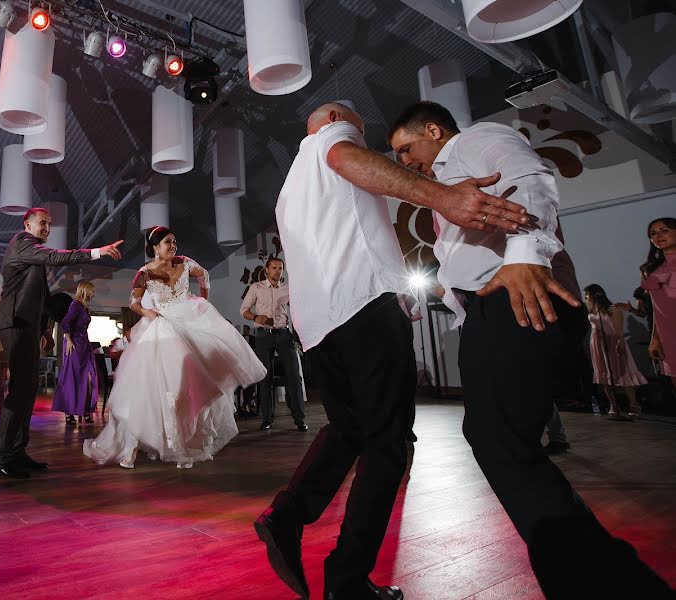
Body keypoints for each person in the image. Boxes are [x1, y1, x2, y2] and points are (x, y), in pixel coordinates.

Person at [387, 100, 671, 598]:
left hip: (519, 297)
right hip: (490, 308)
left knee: (499, 442)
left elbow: (532, 177)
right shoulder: (445, 188)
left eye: (406, 148)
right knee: (494, 438)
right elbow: (462, 259)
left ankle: (602, 583)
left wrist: (524, 255)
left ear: (434, 130)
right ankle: (605, 577)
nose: (405, 161)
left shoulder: (472, 144)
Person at [256, 101, 531, 600]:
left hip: (318, 324)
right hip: (364, 304)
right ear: (340, 117)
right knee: (387, 446)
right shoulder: (335, 141)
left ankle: (287, 514)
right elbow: (347, 157)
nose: (388, 150)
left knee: (350, 430)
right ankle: (347, 578)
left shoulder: (288, 186)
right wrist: (443, 197)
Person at [83, 226, 267, 470]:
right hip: (159, 324)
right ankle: (133, 445)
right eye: (168, 242)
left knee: (185, 381)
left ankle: (179, 442)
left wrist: (202, 299)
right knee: (147, 387)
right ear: (155, 247)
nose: (173, 246)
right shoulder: (144, 273)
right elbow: (134, 303)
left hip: (187, 319)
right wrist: (150, 313)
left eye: (174, 242)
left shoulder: (185, 263)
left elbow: (205, 276)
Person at [0, 207, 123, 478]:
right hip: (14, 323)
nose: (47, 228)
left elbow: (38, 299)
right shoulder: (23, 244)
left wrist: (42, 329)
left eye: (50, 224)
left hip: (26, 324)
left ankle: (17, 452)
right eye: (43, 223)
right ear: (27, 224)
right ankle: (0, 457)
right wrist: (97, 251)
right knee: (19, 389)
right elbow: (55, 256)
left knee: (27, 388)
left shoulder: (32, 254)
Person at [240, 257, 307, 431]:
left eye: (280, 268)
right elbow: (243, 310)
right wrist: (255, 317)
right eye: (275, 268)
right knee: (265, 377)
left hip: (284, 335)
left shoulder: (287, 289)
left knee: (294, 376)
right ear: (267, 270)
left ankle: (299, 419)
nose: (278, 271)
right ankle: (267, 419)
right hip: (263, 335)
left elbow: (298, 309)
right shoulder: (256, 287)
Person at [584, 284, 647, 417]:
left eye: (588, 295)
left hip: (612, 343)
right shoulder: (591, 310)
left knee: (623, 371)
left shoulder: (612, 309)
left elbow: (618, 330)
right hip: (597, 344)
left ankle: (634, 404)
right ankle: (613, 404)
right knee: (604, 374)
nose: (586, 298)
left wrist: (620, 343)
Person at [52, 281, 98, 425]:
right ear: (85, 290)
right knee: (72, 378)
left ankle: (84, 410)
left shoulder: (84, 307)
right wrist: (69, 340)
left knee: (88, 378)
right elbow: (65, 322)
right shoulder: (76, 305)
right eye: (92, 291)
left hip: (85, 345)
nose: (93, 294)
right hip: (74, 346)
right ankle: (69, 413)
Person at [641, 217, 676, 387]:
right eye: (652, 233)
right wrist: (655, 338)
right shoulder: (653, 269)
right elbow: (656, 308)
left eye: (664, 230)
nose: (658, 236)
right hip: (668, 336)